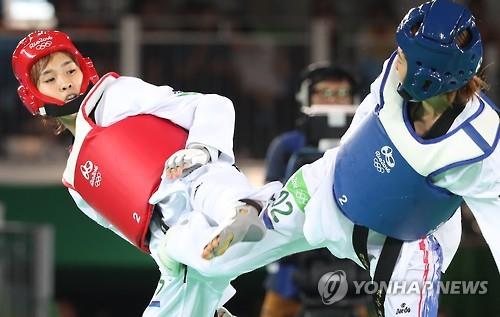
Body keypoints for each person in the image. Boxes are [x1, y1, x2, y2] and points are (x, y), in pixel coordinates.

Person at [161, 1, 500, 316]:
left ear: (429, 74)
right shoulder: (394, 75)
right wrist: (272, 204)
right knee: (217, 260)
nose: (396, 55)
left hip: (403, 240)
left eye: (405, 53)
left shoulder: (479, 145)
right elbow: (357, 141)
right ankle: (176, 241)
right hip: (328, 191)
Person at [11, 30, 280, 317]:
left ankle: (250, 206)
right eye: (50, 79)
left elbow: (213, 104)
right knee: (181, 266)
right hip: (176, 233)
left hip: (196, 178)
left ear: (84, 68)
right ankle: (207, 301)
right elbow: (142, 235)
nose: (65, 83)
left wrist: (200, 150)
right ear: (32, 95)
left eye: (70, 70)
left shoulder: (117, 94)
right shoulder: (75, 179)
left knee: (215, 189)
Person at [261, 63, 369, 317]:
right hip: (294, 260)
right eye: (326, 93)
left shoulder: (366, 142)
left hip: (349, 258)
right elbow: (270, 197)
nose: (334, 101)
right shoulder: (287, 145)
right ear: (306, 96)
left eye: (341, 94)